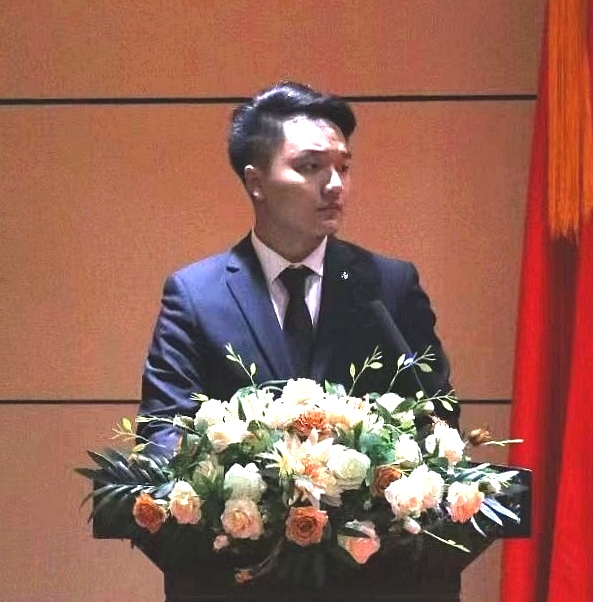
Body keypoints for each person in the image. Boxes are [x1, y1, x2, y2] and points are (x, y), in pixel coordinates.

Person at [139, 81, 457, 453]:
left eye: (343, 167)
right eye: (311, 166)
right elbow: (161, 430)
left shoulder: (389, 286)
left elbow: (437, 417)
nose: (335, 185)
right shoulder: (196, 297)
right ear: (256, 182)